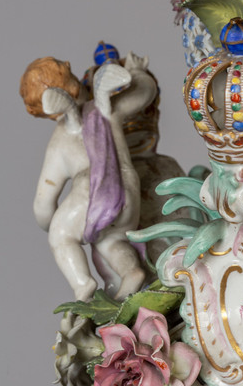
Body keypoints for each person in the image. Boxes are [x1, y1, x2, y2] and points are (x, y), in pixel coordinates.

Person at [20, 53, 156, 302]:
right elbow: (144, 93)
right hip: (129, 195)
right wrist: (137, 72)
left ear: (43, 113)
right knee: (112, 241)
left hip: (91, 193)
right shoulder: (107, 110)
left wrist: (51, 224)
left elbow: (43, 203)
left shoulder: (59, 142)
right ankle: (131, 273)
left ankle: (83, 285)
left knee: (61, 235)